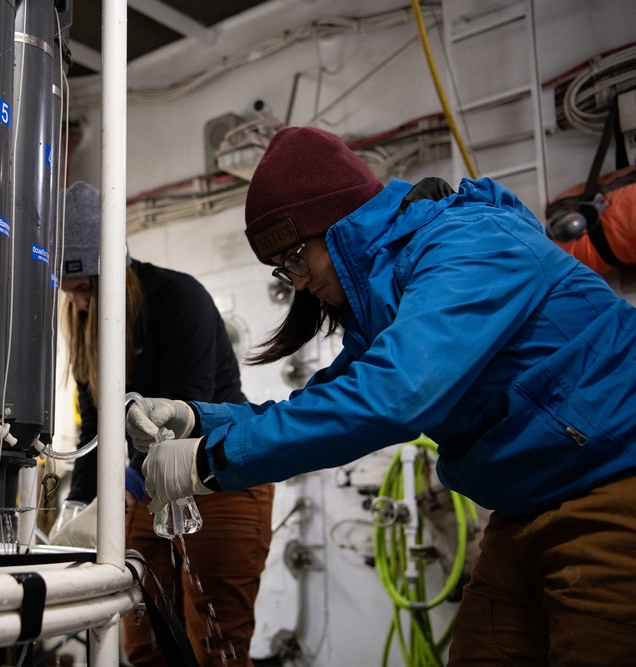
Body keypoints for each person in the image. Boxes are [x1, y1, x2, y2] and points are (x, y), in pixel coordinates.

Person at [130, 126, 636, 665]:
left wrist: (210, 463)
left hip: (609, 494)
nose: (296, 283)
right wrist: (198, 418)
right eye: (284, 268)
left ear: (340, 225)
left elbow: (394, 395)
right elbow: (328, 397)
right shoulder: (390, 300)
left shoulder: (471, 242)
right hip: (523, 511)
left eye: (295, 258)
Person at [57, 181, 274, 667]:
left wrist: (127, 479)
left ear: (119, 270)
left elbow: (184, 407)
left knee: (215, 642)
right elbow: (93, 421)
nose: (80, 304)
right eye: (68, 292)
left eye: (87, 288)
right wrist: (79, 503)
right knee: (145, 636)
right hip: (145, 486)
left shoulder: (179, 299)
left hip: (220, 476)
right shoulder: (86, 325)